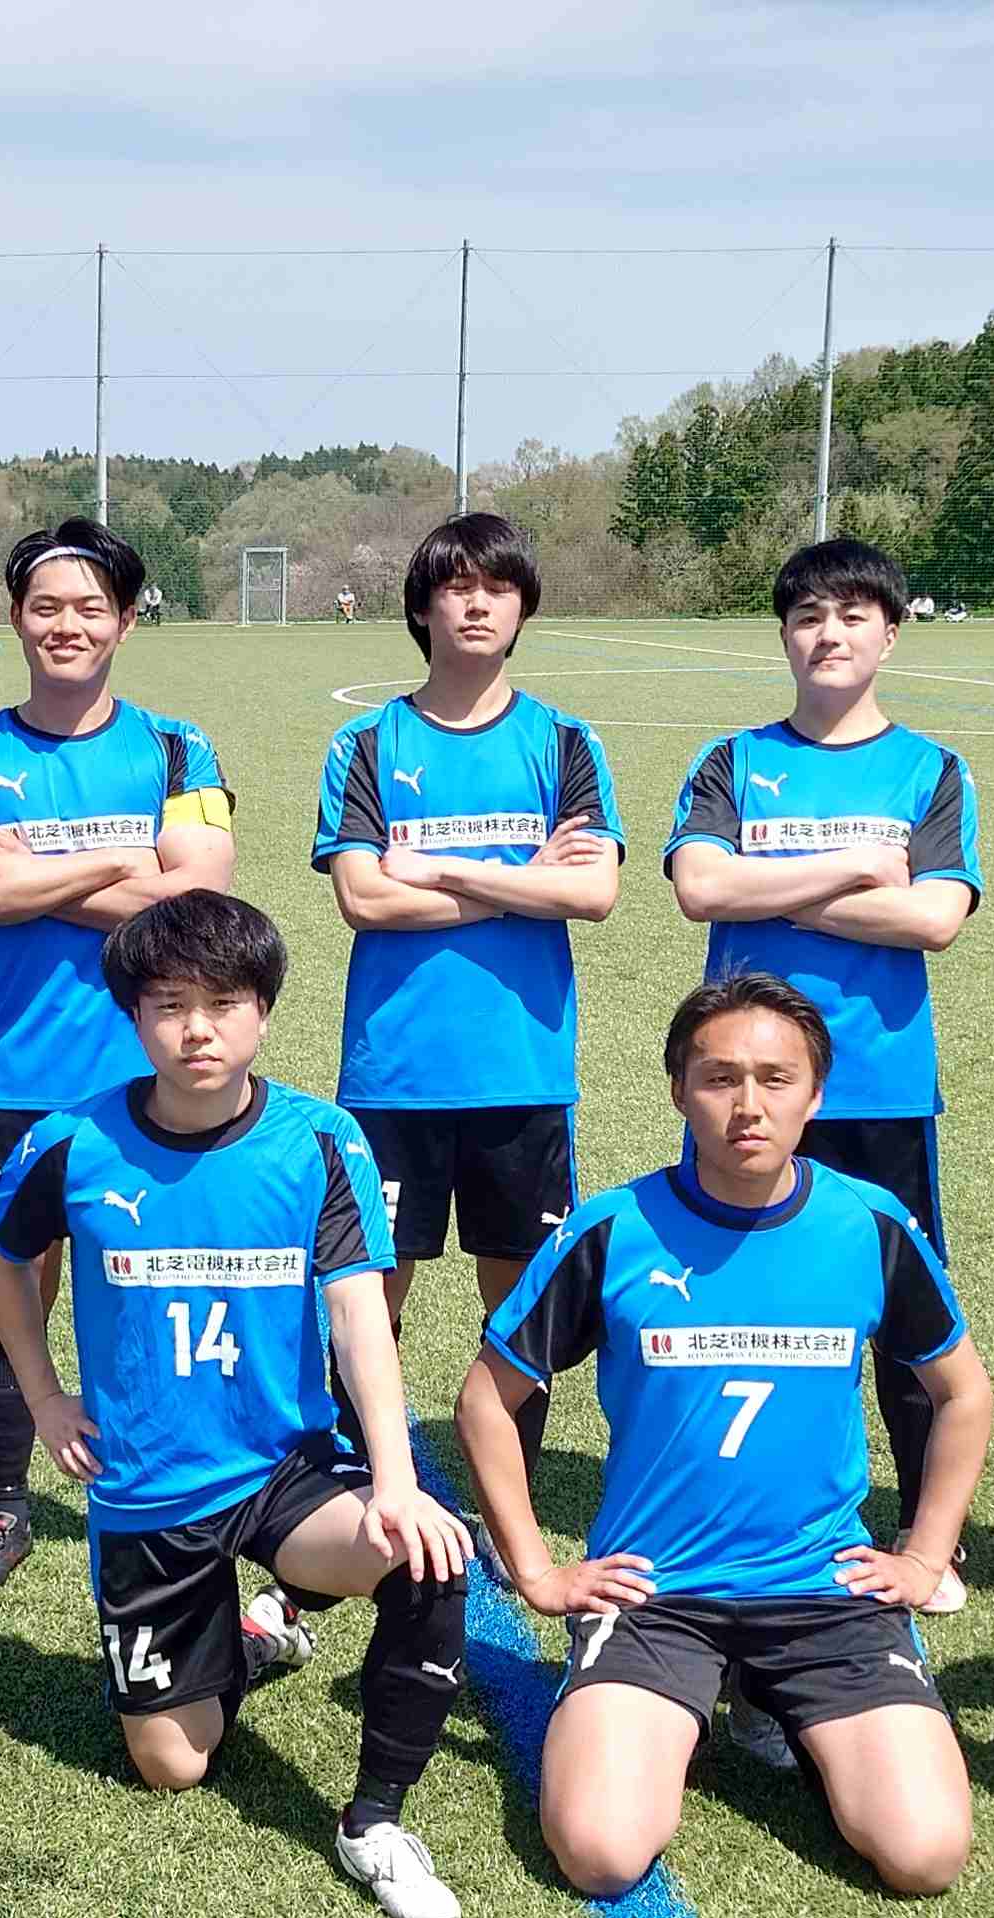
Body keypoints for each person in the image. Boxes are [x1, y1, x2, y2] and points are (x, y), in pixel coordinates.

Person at [0, 891, 475, 1918]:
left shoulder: (320, 1138)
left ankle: (374, 1820)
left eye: (223, 1003)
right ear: (134, 1017)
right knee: (174, 1765)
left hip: (282, 1468)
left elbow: (359, 1317)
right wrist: (45, 1394)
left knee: (426, 1555)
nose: (196, 1030)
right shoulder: (74, 1141)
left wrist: (394, 1482)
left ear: (263, 1011)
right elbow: (2, 1249)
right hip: (147, 1486)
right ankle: (252, 1638)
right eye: (169, 1005)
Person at [458, 973, 988, 1898]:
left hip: (823, 1590)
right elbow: (484, 1400)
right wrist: (539, 1571)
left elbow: (963, 1394)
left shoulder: (869, 1224)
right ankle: (694, 1695)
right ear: (678, 1091)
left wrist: (924, 1556)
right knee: (601, 1852)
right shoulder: (615, 1229)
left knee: (925, 1854)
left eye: (777, 1079)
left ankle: (773, 1697)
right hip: (656, 1591)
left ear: (816, 1096)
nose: (749, 1105)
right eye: (719, 1078)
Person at [0, 517, 237, 1593]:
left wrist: (39, 868)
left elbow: (200, 897)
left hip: (162, 1073)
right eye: (46, 606)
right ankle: (6, 1499)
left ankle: (186, 1480)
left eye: (90, 607)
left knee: (170, 1278)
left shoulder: (183, 749)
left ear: (126, 621)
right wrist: (123, 858)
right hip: (19, 1072)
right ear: (16, 618)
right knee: (16, 1288)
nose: (68, 625)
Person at [666, 537, 981, 1613]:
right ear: (785, 637)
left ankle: (927, 1532)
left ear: (890, 633)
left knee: (903, 1312)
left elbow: (933, 917)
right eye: (808, 616)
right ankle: (723, 1503)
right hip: (743, 1086)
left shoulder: (930, 769)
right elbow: (702, 890)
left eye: (852, 615)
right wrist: (849, 870)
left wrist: (774, 889)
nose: (829, 634)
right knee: (734, 1296)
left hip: (881, 1085)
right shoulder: (732, 761)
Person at [307, 510, 622, 1502]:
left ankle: (506, 1490)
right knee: (369, 1291)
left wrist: (440, 867)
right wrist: (522, 878)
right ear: (421, 608)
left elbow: (593, 892)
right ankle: (361, 1483)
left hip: (521, 1069)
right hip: (394, 1074)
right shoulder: (367, 743)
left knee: (521, 1298)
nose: (477, 604)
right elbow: (364, 899)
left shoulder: (564, 743)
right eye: (456, 586)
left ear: (524, 606)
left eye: (498, 587)